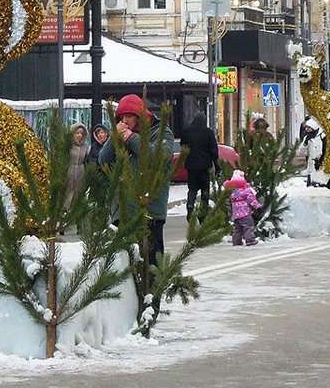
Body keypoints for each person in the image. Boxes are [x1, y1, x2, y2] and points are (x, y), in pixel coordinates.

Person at [98, 94, 175, 267]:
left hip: (150, 209)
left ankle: (153, 294)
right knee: (127, 265)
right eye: (121, 117)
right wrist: (114, 138)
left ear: (139, 115)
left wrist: (132, 138)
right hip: (123, 209)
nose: (124, 121)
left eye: (129, 116)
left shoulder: (160, 131)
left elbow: (159, 157)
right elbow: (104, 160)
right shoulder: (123, 133)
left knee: (152, 264)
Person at [178, 111, 219, 220]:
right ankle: (203, 211)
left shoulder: (187, 131)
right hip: (205, 166)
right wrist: (218, 167)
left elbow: (183, 145)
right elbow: (214, 151)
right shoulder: (208, 132)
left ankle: (190, 205)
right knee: (205, 190)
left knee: (192, 189)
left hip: (191, 166)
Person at [225, 169, 261, 246]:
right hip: (245, 213)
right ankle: (250, 240)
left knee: (238, 229)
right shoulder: (246, 191)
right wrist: (258, 207)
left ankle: (236, 242)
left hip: (236, 215)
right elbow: (252, 200)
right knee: (248, 227)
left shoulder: (232, 192)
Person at [65, 123, 90, 213]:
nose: (79, 135)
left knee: (78, 190)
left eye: (81, 133)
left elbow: (86, 159)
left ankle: (77, 209)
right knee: (68, 189)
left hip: (80, 170)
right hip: (69, 169)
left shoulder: (85, 146)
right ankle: (65, 209)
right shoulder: (68, 144)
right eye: (77, 133)